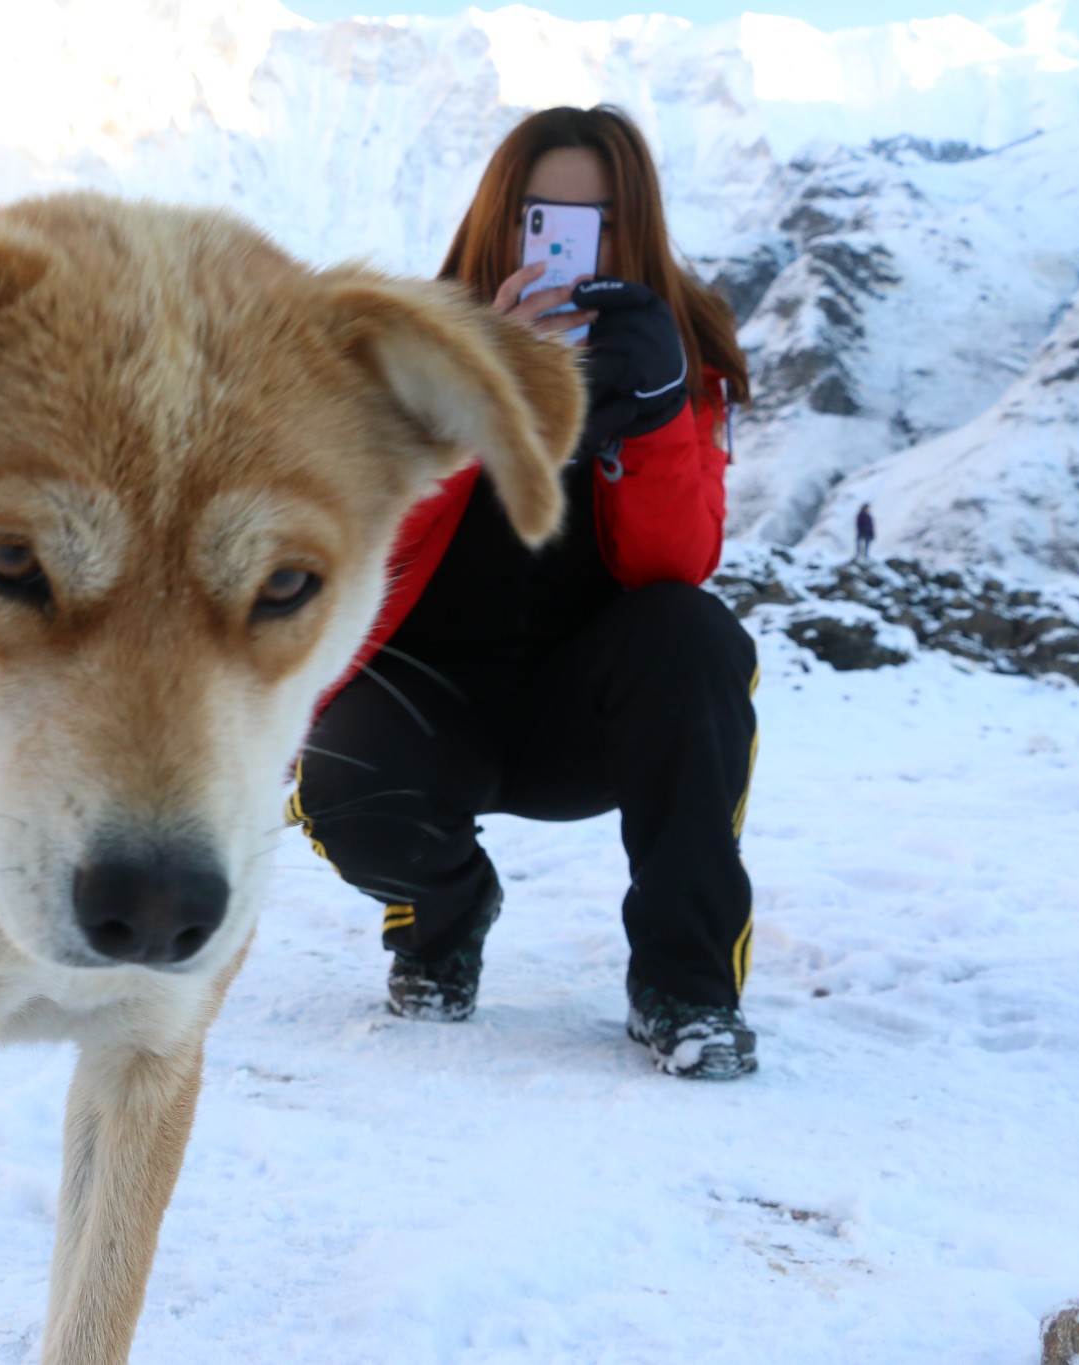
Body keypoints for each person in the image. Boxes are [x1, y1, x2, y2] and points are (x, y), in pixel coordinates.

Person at [293, 105, 760, 1079]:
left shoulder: (677, 359)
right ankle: (443, 919)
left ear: (635, 229)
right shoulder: (394, 352)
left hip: (584, 723)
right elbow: (355, 555)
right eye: (538, 218)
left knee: (691, 635)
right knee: (338, 781)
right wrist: (475, 396)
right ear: (498, 224)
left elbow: (676, 566)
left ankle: (684, 986)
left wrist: (653, 418)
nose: (563, 246)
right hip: (423, 712)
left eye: (597, 222)